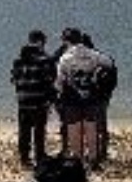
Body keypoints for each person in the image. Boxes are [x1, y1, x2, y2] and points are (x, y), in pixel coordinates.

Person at [56, 34, 115, 167]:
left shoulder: (65, 58)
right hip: (91, 97)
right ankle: (93, 159)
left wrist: (60, 95)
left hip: (72, 98)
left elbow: (59, 81)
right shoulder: (94, 55)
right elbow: (110, 64)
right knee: (91, 127)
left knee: (73, 128)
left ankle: (77, 158)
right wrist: (98, 76)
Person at [10, 30, 57, 167]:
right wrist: (51, 99)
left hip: (23, 100)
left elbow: (14, 79)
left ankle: (24, 157)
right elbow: (49, 80)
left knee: (24, 130)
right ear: (42, 41)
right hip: (38, 100)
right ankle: (39, 155)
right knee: (39, 130)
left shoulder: (18, 60)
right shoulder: (44, 59)